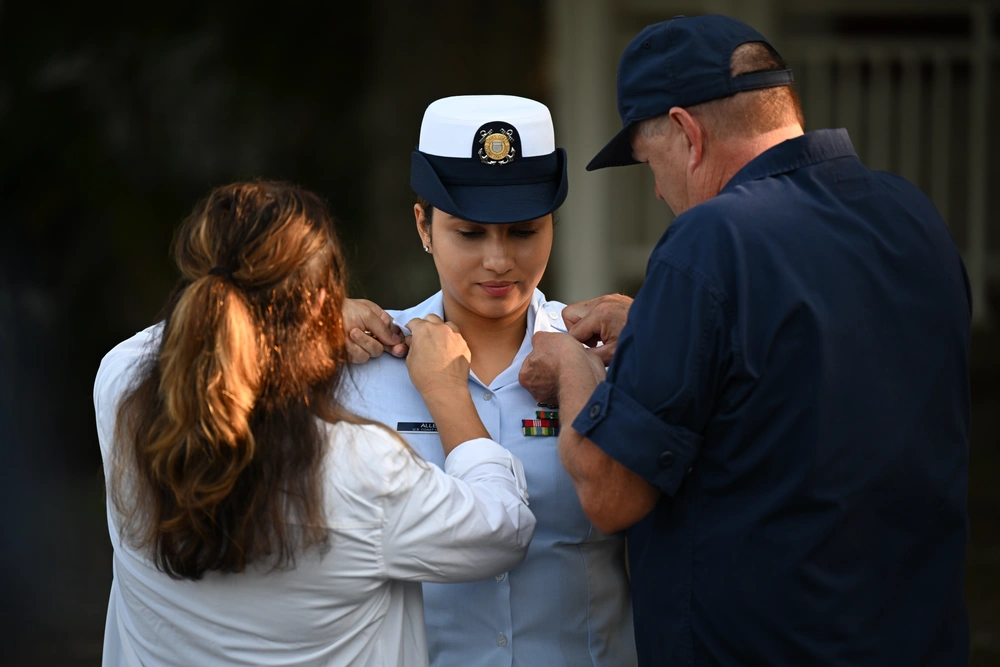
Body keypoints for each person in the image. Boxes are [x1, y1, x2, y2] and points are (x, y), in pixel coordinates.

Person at [518, 14, 972, 667]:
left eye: (651, 161)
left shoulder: (710, 241)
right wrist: (657, 323)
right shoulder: (912, 217)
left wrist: (567, 364)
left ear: (686, 132)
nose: (657, 187)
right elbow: (808, 354)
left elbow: (611, 491)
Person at [94, 180, 537, 667]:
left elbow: (176, 337)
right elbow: (503, 529)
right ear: (318, 301)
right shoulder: (358, 466)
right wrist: (447, 391)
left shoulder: (120, 389)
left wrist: (302, 326)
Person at [340, 95, 637, 666]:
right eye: (470, 233)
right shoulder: (364, 364)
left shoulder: (604, 353)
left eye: (524, 231)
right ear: (423, 224)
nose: (499, 260)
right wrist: (296, 324)